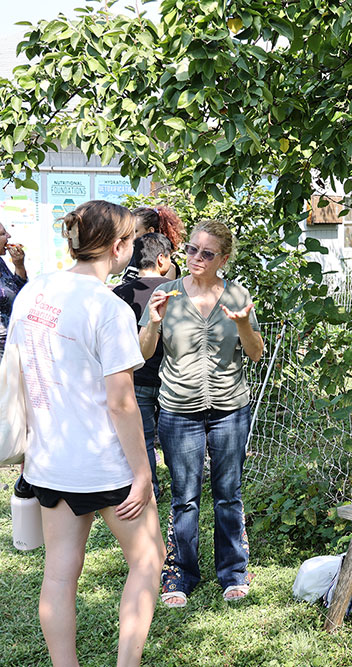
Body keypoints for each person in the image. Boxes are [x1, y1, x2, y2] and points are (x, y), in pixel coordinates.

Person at [8, 200, 166, 667]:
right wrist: (142, 473)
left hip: (50, 460)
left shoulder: (32, 292)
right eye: (131, 241)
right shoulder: (107, 306)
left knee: (58, 576)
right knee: (149, 559)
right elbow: (121, 402)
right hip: (106, 463)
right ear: (117, 246)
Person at [139, 219, 264, 607]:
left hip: (230, 408)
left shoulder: (237, 294)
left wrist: (244, 324)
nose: (195, 257)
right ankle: (181, 573)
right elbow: (142, 353)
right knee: (185, 497)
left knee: (228, 494)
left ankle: (233, 571)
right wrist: (155, 323)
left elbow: (256, 353)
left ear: (223, 258)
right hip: (178, 409)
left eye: (206, 253)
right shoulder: (165, 293)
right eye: (191, 249)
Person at [113, 233, 176, 499]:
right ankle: (181, 482)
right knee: (176, 434)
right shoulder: (177, 292)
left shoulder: (120, 293)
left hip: (137, 375)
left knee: (144, 436)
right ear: (162, 259)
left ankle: (151, 486)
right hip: (172, 377)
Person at [121, 205, 184, 282]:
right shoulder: (133, 256)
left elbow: (165, 291)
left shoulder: (167, 264)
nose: (130, 236)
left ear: (150, 231)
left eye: (135, 231)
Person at [0, 221, 28, 359]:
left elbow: (19, 292)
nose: (8, 236)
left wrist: (19, 265)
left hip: (10, 342)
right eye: (3, 234)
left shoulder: (0, 261)